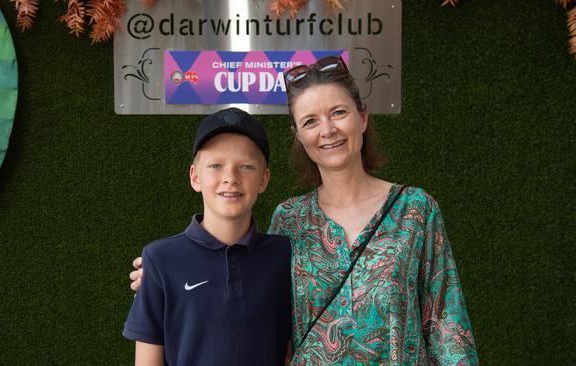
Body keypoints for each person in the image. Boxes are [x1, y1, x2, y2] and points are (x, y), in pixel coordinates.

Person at [130, 56, 478, 365]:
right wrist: (164, 277)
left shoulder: (415, 211)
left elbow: (449, 330)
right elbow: (252, 284)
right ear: (298, 134)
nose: (327, 130)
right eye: (310, 121)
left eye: (338, 113)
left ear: (363, 116)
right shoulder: (290, 220)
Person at [123, 108, 292, 366]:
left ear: (264, 179)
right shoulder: (160, 260)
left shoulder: (284, 256)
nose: (230, 178)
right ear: (195, 176)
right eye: (215, 165)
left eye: (246, 166)